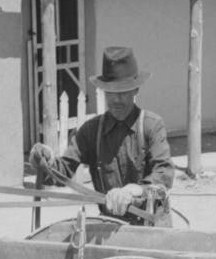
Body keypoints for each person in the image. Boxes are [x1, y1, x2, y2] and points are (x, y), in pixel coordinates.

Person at [29, 46, 174, 226]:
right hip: (110, 226)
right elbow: (62, 171)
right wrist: (45, 160)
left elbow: (164, 174)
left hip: (151, 226)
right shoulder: (91, 131)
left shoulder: (152, 125)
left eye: (122, 92)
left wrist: (133, 190)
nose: (116, 100)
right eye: (110, 92)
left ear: (136, 90)